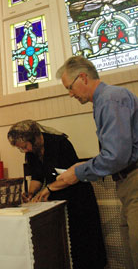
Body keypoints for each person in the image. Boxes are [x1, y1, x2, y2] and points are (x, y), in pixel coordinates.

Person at [54, 55, 138, 269]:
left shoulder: (110, 99)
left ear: (82, 77)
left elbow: (116, 156)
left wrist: (79, 172)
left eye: (69, 88)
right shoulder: (104, 101)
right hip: (127, 183)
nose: (70, 94)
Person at [7, 120, 107, 269]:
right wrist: (30, 192)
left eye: (25, 146)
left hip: (78, 198)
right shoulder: (32, 153)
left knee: (85, 245)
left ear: (34, 138)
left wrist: (49, 189)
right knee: (66, 246)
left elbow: (71, 176)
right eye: (21, 149)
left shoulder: (60, 143)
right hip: (59, 200)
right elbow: (37, 177)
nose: (25, 151)